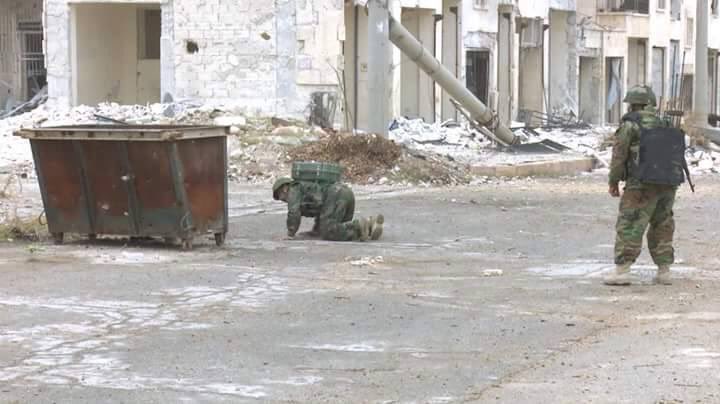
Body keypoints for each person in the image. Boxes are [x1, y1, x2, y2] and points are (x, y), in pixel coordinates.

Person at [605, 85, 691, 286]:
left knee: (630, 223)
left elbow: (619, 155)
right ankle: (664, 271)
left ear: (632, 104)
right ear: (650, 103)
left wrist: (613, 181)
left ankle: (622, 271)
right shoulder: (666, 122)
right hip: (668, 184)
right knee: (662, 224)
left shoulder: (630, 125)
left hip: (640, 185)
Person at [272, 177, 384, 242]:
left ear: (284, 188)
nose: (283, 200)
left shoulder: (293, 189)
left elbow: (294, 212)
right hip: (345, 193)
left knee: (330, 232)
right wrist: (316, 230)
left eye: (280, 196)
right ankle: (370, 224)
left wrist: (290, 234)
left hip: (336, 195)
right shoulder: (305, 186)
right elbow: (320, 209)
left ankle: (358, 225)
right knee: (337, 229)